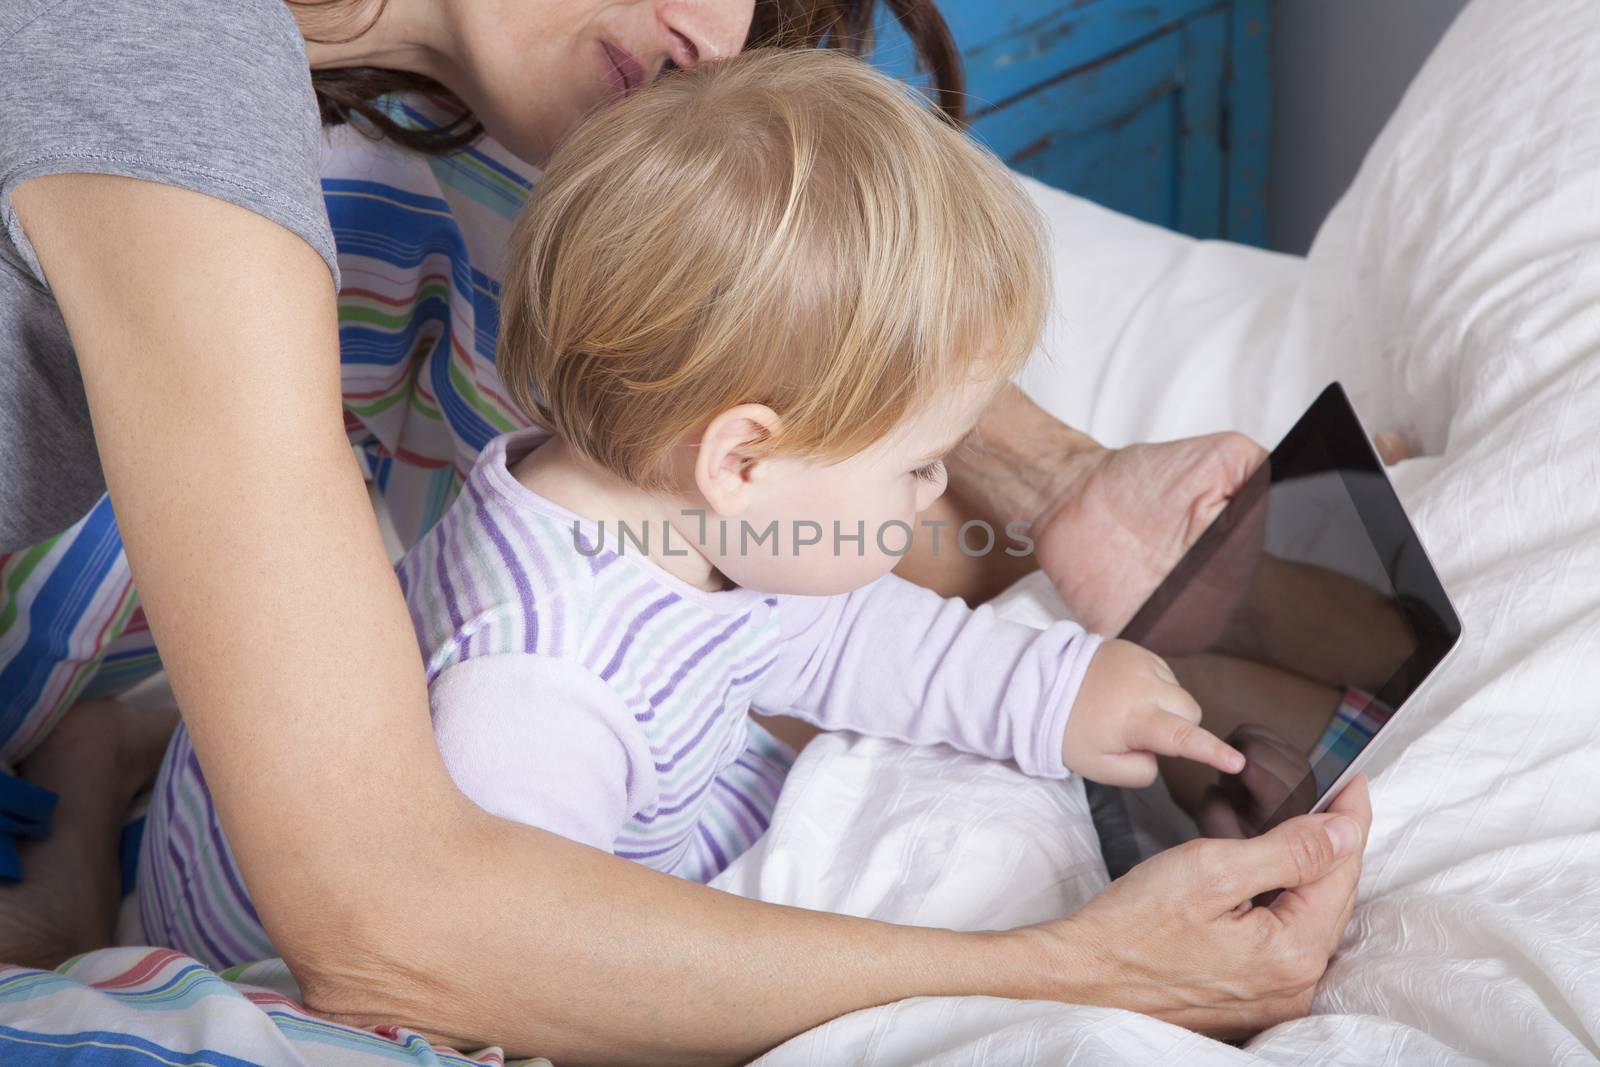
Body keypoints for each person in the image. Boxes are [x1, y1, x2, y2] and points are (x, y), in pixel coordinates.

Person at [0, 0, 1372, 1061]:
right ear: (739, 459)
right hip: (354, 900)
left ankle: (99, 813)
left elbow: (771, 386)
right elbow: (421, 952)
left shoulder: (426, 134)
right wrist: (1079, 966)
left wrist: (1063, 543)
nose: (713, 36)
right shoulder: (531, 700)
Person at [140, 49, 1254, 961]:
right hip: (389, 949)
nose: (935, 494)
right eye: (920, 465)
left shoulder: (691, 522)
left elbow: (838, 631)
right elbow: (517, 971)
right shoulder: (535, 705)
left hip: (623, 815)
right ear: (743, 458)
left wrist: (1055, 689)